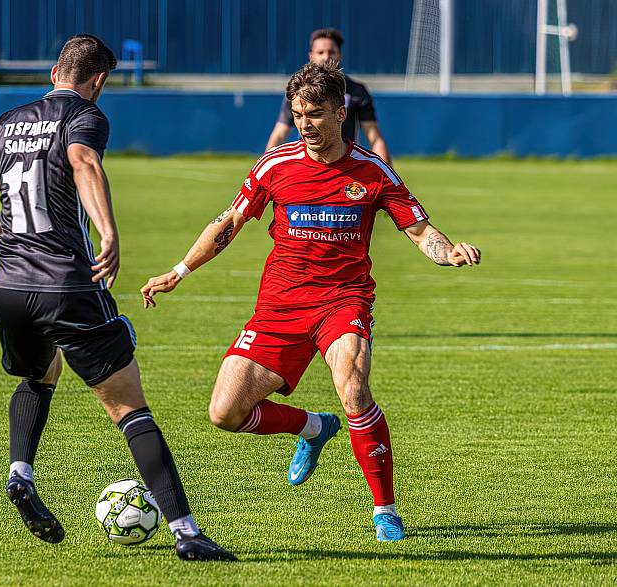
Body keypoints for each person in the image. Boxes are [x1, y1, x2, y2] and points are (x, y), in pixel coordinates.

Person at [141, 60, 480, 542]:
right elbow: (228, 224)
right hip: (279, 307)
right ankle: (313, 428)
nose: (306, 124)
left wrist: (451, 253)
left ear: (341, 113)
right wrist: (179, 271)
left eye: (316, 113)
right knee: (225, 413)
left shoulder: (373, 171)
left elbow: (420, 230)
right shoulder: (275, 165)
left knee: (355, 390)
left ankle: (384, 510)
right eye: (299, 114)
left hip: (343, 301)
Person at [0, 34, 235, 561]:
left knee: (39, 375)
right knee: (130, 405)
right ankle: (186, 532)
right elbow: (83, 161)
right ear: (99, 80)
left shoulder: (7, 120)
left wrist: (15, 250)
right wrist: (108, 232)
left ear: (52, 72)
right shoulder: (85, 116)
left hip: (10, 287)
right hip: (66, 284)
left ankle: (20, 473)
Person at [265, 27, 390, 163]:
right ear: (311, 56)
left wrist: (386, 175)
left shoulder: (356, 91)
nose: (326, 57)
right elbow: (279, 135)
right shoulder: (298, 92)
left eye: (331, 52)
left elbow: (375, 138)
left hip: (345, 165)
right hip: (309, 164)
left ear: (340, 55)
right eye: (320, 52)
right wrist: (266, 167)